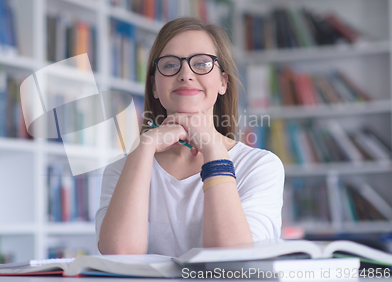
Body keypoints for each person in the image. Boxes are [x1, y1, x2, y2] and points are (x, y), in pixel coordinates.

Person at [95, 17, 285, 257]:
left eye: (202, 63)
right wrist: (144, 146)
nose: (185, 73)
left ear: (222, 82)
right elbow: (120, 255)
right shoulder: (122, 169)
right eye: (170, 65)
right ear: (154, 85)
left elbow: (232, 261)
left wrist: (213, 150)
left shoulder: (260, 166)